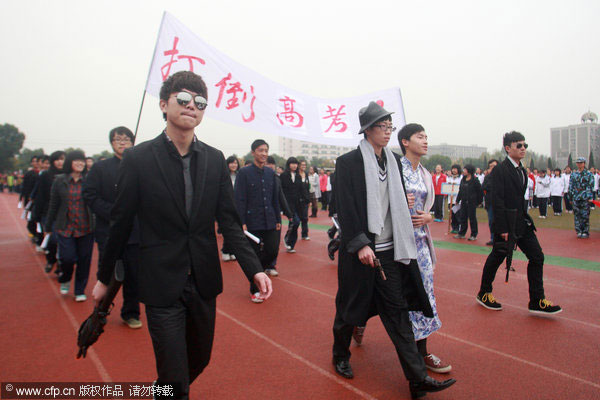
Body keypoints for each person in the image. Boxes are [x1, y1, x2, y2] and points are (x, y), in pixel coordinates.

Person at [91, 71, 272, 400]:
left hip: (203, 280)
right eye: (184, 100)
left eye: (200, 102)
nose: (192, 107)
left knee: (199, 360)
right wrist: (105, 278)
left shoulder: (215, 159)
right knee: (174, 377)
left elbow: (229, 223)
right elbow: (120, 223)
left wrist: (254, 268)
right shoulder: (138, 159)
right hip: (161, 282)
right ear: (164, 104)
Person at [331, 101, 455, 398]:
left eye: (390, 127)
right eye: (382, 127)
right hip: (361, 251)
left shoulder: (394, 161)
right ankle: (340, 355)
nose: (387, 132)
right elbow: (345, 208)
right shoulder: (349, 163)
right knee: (350, 310)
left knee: (398, 313)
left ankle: (417, 380)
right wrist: (360, 243)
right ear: (367, 130)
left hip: (390, 252)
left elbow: (401, 201)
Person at [477, 131, 562, 315]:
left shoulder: (522, 170)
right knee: (498, 256)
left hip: (521, 222)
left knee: (537, 256)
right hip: (506, 223)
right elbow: (497, 200)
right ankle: (484, 292)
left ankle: (537, 300)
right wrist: (502, 228)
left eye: (525, 145)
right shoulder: (500, 170)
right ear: (508, 148)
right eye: (519, 145)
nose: (523, 149)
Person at [398, 123, 451, 373]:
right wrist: (397, 201)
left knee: (426, 295)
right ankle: (358, 320)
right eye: (420, 137)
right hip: (398, 244)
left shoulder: (425, 174)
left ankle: (422, 352)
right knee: (393, 297)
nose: (426, 141)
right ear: (405, 142)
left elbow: (429, 209)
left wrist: (428, 218)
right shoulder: (395, 169)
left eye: (426, 136)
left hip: (421, 244)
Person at [82, 126, 142, 329]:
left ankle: (131, 313)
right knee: (106, 273)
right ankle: (100, 312)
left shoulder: (140, 167)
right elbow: (90, 196)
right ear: (111, 142)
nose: (123, 142)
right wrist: (114, 213)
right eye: (118, 139)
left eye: (127, 139)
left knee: (134, 274)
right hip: (108, 230)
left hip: (135, 231)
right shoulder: (100, 168)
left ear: (133, 142)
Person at [234, 139, 281, 302]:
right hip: (252, 221)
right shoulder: (244, 173)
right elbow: (239, 199)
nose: (264, 154)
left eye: (266, 150)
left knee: (272, 250)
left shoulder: (270, 173)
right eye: (260, 150)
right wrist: (242, 221)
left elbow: (275, 197)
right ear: (253, 152)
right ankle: (255, 288)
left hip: (270, 220)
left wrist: (277, 217)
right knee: (254, 255)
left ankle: (261, 272)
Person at [45, 150, 94, 302]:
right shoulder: (59, 180)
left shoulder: (89, 180)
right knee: (67, 258)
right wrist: (48, 225)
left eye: (82, 161)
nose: (80, 163)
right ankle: (65, 277)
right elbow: (53, 204)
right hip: (65, 227)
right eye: (76, 160)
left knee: (84, 260)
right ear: (70, 163)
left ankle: (80, 290)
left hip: (86, 227)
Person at [35, 151, 65, 273]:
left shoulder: (68, 175)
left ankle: (60, 265)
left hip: (64, 214)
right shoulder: (46, 176)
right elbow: (40, 195)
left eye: (62, 159)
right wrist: (37, 214)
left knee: (63, 241)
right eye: (57, 159)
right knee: (52, 240)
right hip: (48, 212)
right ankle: (51, 259)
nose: (60, 162)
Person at [265, 156, 292, 276]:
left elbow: (281, 197)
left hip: (274, 216)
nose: (270, 166)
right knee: (261, 244)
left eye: (272, 164)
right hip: (259, 217)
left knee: (274, 244)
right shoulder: (257, 178)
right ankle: (259, 267)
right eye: (267, 164)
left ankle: (271, 265)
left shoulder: (276, 178)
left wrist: (288, 213)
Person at [280, 157, 304, 252]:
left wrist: (306, 199)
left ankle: (291, 244)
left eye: (295, 164)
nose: (294, 165)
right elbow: (281, 190)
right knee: (296, 222)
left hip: (297, 204)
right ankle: (288, 239)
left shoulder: (298, 176)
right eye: (292, 163)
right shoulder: (283, 176)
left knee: (295, 223)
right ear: (288, 165)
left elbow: (301, 189)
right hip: (288, 204)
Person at [454, 164, 483, 241]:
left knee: (472, 218)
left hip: (472, 202)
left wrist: (479, 201)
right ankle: (462, 233)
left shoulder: (475, 180)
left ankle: (474, 234)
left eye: (465, 170)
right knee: (463, 217)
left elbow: (480, 191)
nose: (464, 171)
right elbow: (460, 190)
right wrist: (457, 200)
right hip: (463, 201)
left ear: (469, 171)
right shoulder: (463, 179)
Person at [568, 157, 594, 238]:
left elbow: (590, 186)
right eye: (578, 163)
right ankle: (579, 231)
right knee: (577, 215)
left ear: (584, 164)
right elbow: (571, 186)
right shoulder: (573, 174)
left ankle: (585, 231)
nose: (579, 164)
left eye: (581, 163)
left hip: (585, 196)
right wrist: (571, 197)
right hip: (576, 196)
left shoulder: (589, 174)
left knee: (585, 215)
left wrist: (589, 197)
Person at [221, 155, 241, 262]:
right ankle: (225, 250)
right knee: (228, 228)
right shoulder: (223, 175)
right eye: (232, 163)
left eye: (236, 163)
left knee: (236, 230)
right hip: (226, 206)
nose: (234, 165)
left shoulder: (240, 175)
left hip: (238, 206)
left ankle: (232, 251)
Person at [482, 159, 498, 245]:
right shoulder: (487, 177)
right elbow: (484, 187)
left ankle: (499, 239)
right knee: (491, 220)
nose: (492, 168)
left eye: (494, 166)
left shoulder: (501, 177)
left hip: (500, 203)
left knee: (499, 221)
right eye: (490, 166)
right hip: (490, 202)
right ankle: (492, 238)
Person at [446, 165, 462, 233]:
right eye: (453, 169)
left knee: (457, 214)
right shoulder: (449, 178)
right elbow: (446, 187)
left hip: (457, 200)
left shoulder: (461, 178)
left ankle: (458, 228)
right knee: (452, 214)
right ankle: (454, 227)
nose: (454, 170)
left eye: (455, 169)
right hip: (450, 199)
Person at [298, 160, 311, 239]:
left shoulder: (306, 174)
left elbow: (307, 188)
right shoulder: (296, 175)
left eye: (305, 165)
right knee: (296, 219)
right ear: (299, 165)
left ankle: (305, 234)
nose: (304, 166)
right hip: (297, 200)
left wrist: (308, 199)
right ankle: (291, 235)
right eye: (302, 165)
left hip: (305, 200)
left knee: (305, 218)